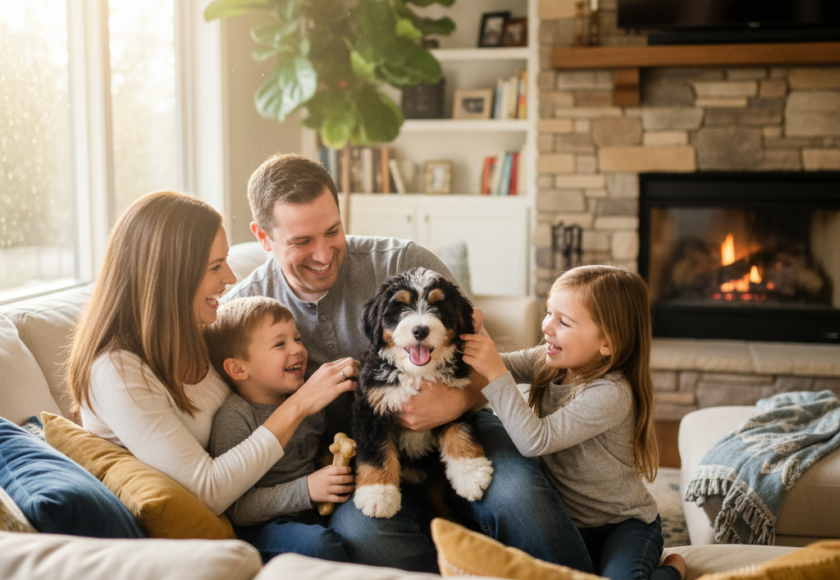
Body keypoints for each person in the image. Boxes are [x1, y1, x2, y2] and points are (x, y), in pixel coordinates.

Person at [224, 153, 593, 574]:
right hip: (367, 450)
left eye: (333, 230)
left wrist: (455, 402)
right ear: (263, 237)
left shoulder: (402, 261)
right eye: (302, 241)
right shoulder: (242, 313)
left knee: (518, 497)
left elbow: (482, 359)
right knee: (366, 535)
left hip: (461, 422)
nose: (324, 254)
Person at [67, 190, 358, 532]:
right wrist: (299, 405)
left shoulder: (195, 332)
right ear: (170, 277)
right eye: (215, 267)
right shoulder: (117, 373)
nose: (231, 279)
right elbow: (209, 491)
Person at [461, 265, 687, 580]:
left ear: (607, 343)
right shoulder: (551, 361)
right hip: (569, 525)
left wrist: (494, 371)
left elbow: (534, 440)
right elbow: (502, 364)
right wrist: (474, 333)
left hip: (621, 526)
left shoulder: (611, 393)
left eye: (564, 322)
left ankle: (674, 569)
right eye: (549, 312)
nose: (547, 327)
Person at [204, 296, 354, 563]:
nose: (297, 349)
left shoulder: (310, 399)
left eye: (297, 339)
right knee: (321, 546)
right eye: (279, 344)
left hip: (318, 512)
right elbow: (236, 508)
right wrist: (306, 490)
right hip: (265, 527)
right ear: (238, 368)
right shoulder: (236, 417)